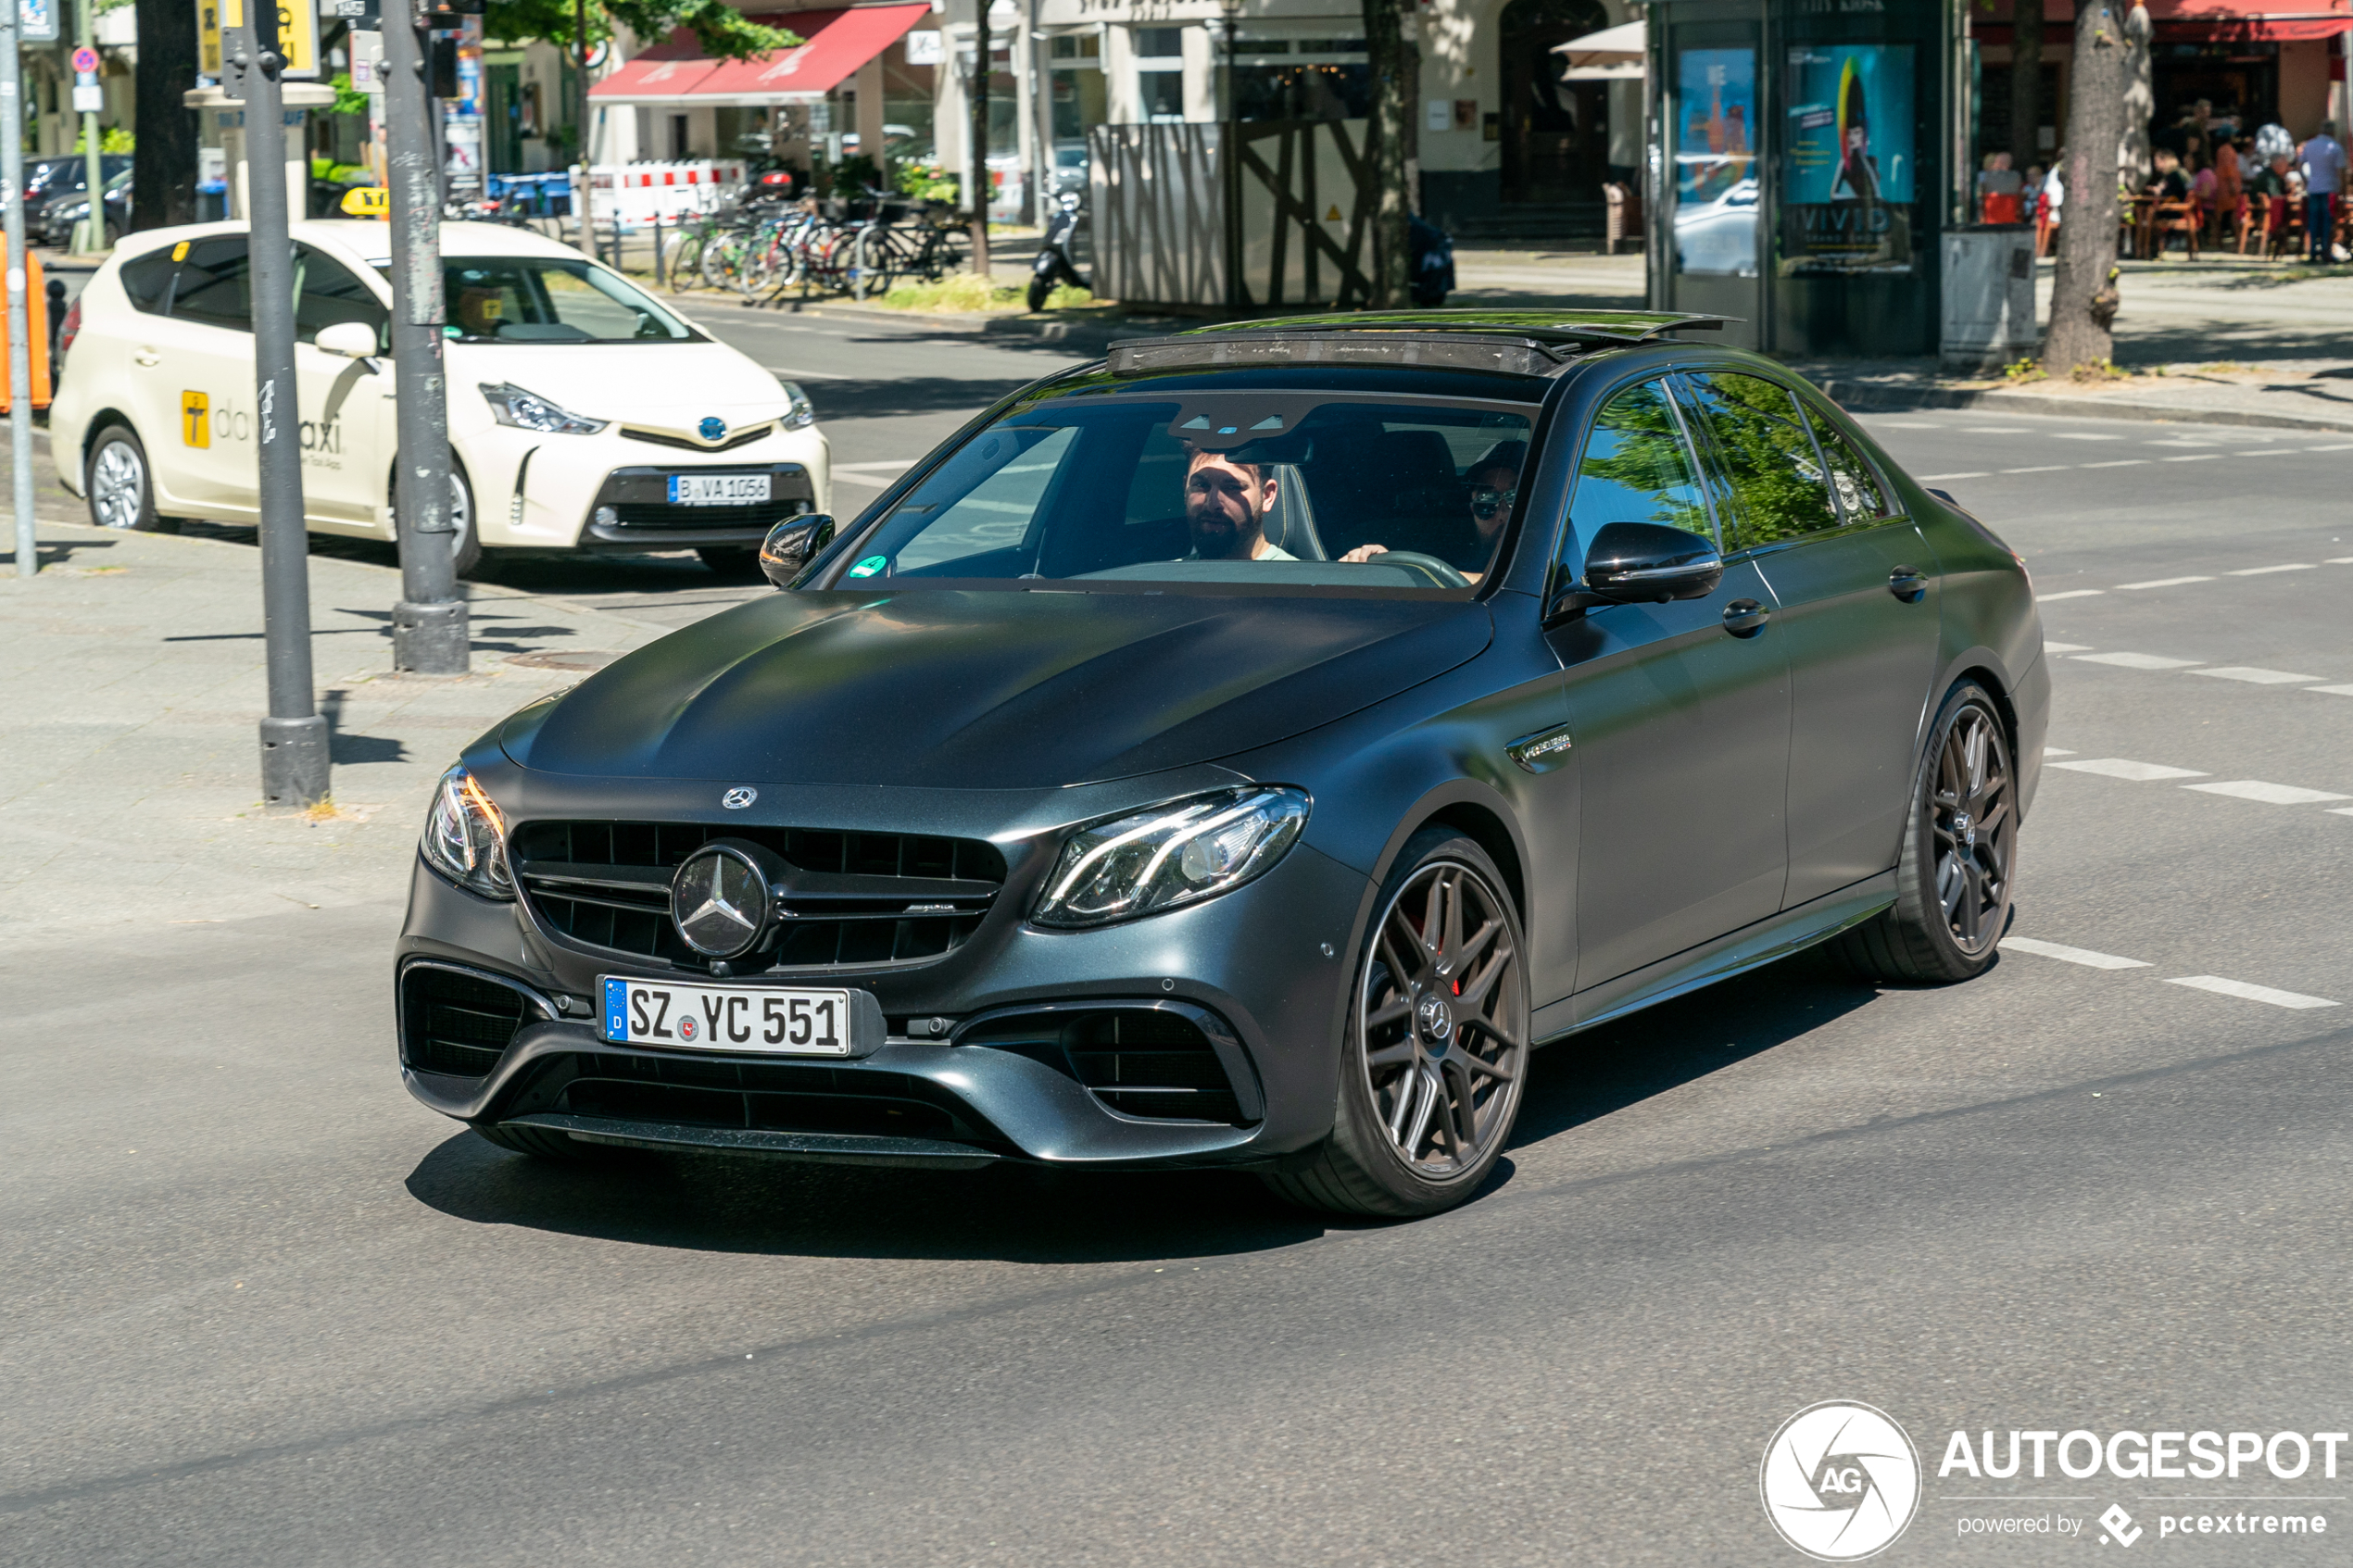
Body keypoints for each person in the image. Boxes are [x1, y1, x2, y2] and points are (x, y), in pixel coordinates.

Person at [1337, 442, 1529, 584]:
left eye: (1515, 498)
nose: (1503, 514)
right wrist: (1373, 561)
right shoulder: (1447, 545)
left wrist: (1411, 575)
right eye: (1486, 502)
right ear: (1472, 508)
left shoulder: (1554, 551)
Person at [1181, 447, 1294, 561]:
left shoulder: (1298, 577)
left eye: (1233, 487)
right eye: (1201, 485)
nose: (1212, 505)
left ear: (1267, 495)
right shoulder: (1166, 574)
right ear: (1185, 489)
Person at [2299, 120, 2346, 262]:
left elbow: (2299, 163)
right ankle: (2326, 251)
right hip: (2329, 189)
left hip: (2313, 188)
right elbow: (2340, 171)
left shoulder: (2310, 145)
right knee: (2327, 221)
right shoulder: (2335, 147)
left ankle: (2313, 251)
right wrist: (2341, 187)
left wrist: (2305, 180)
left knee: (2313, 221)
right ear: (2332, 131)